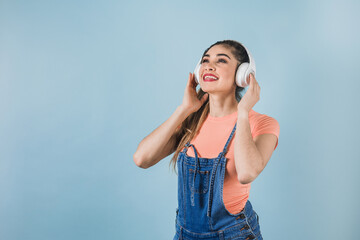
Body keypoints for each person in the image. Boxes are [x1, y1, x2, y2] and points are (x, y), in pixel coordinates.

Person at [133, 40, 280, 240]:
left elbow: (247, 173)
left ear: (242, 74)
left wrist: (243, 113)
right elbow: (142, 159)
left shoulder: (262, 124)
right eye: (205, 60)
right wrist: (183, 109)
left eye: (221, 61)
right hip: (185, 235)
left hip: (234, 235)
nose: (209, 65)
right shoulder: (191, 121)